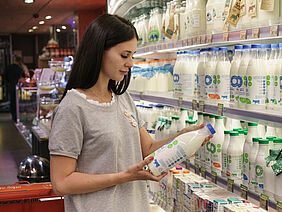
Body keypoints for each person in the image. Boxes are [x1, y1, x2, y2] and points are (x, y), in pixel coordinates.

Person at [49, 14, 212, 212]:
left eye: (133, 55)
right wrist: (123, 176)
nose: (131, 63)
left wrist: (182, 139)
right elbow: (61, 183)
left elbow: (147, 148)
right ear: (99, 51)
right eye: (124, 55)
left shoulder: (122, 98)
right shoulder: (73, 107)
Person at [5, 56, 26, 122]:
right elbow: (24, 75)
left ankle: (13, 114)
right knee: (16, 101)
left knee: (12, 100)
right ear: (19, 61)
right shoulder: (18, 67)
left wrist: (8, 82)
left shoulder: (8, 67)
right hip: (16, 86)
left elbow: (4, 76)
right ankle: (17, 115)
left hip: (10, 85)